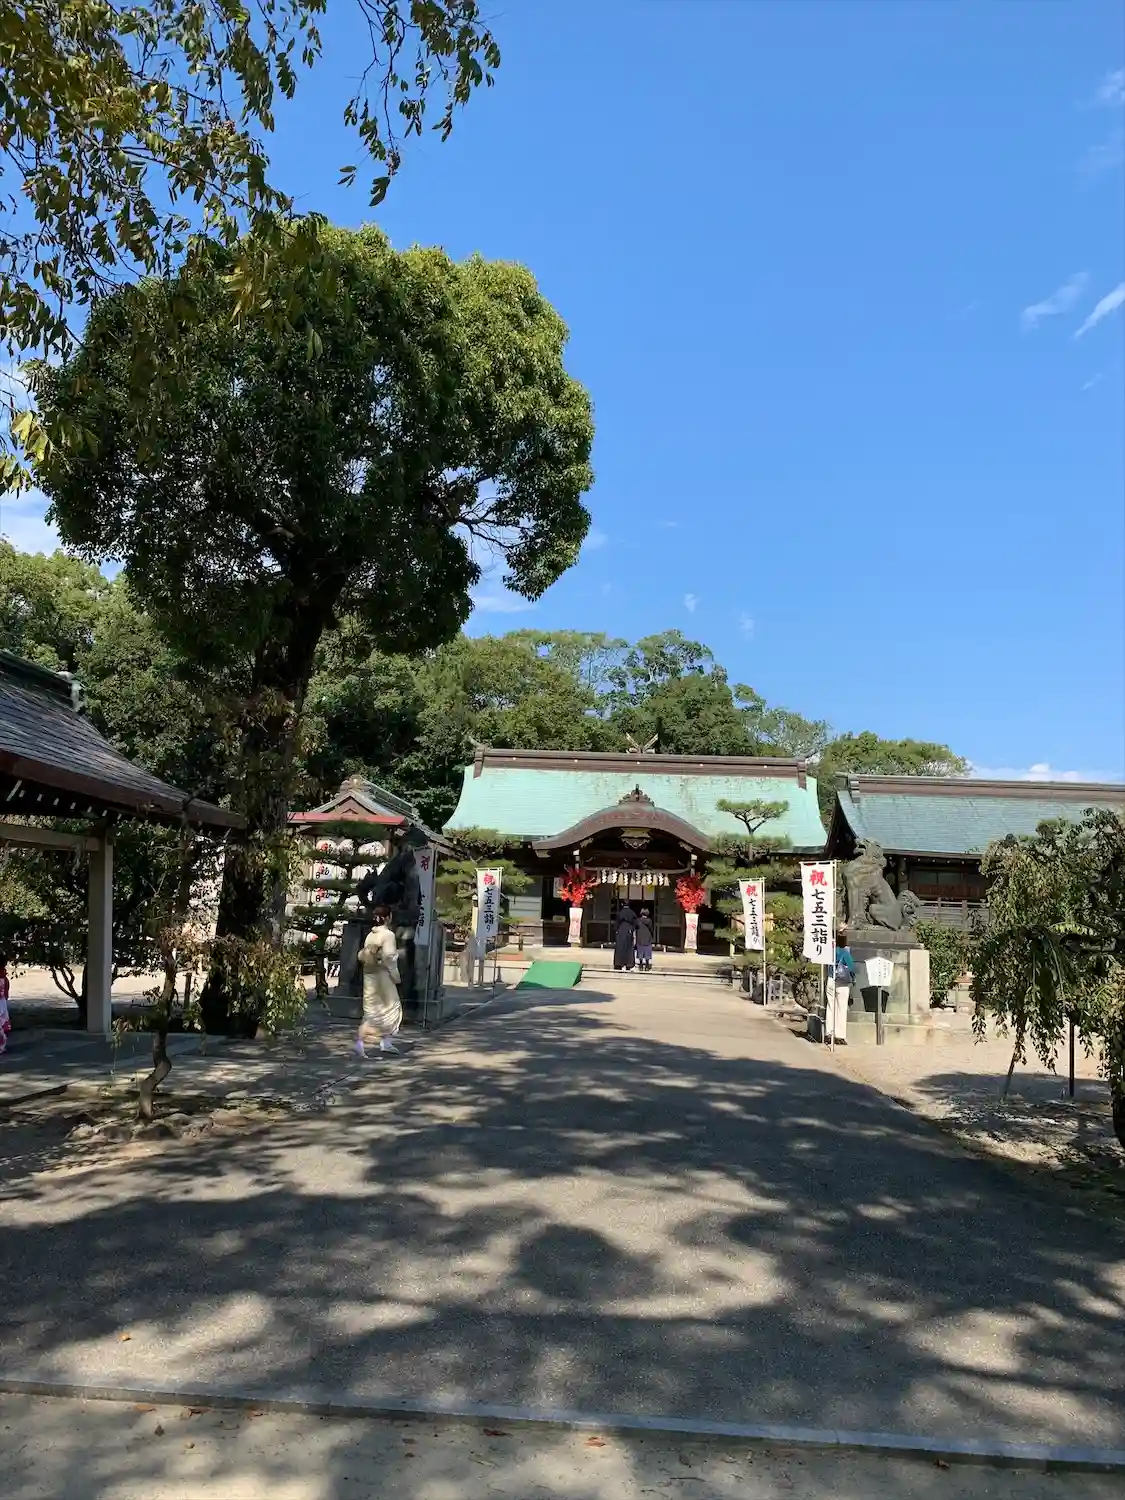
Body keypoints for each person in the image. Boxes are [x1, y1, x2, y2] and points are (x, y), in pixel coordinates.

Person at [355, 906, 403, 1057]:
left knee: (372, 1010)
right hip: (383, 975)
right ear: (388, 917)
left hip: (370, 975)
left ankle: (373, 1042)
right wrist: (396, 975)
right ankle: (376, 1040)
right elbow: (389, 958)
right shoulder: (388, 935)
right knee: (391, 1009)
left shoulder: (371, 935)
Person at [831, 929, 856, 1044]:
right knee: (841, 1008)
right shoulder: (845, 953)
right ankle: (839, 1035)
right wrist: (853, 978)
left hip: (830, 979)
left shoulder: (830, 951)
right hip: (842, 982)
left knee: (831, 1007)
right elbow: (852, 967)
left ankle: (829, 1032)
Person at [613, 902, 637, 971]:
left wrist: (616, 930)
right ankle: (629, 964)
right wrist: (633, 929)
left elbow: (617, 922)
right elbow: (635, 923)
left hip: (621, 930)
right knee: (629, 948)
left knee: (620, 947)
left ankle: (618, 963)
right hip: (629, 930)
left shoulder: (620, 913)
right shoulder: (632, 913)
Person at [635, 907, 655, 972]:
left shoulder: (638, 920)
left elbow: (636, 927)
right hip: (647, 936)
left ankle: (640, 965)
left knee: (640, 950)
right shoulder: (649, 921)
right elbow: (651, 929)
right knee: (647, 950)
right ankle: (647, 965)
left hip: (640, 936)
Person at [0, 955, 10, 1055]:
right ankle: (1, 1047)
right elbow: (6, 994)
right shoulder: (4, 978)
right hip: (2, 1004)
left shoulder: (3, 978)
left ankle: (1, 1047)